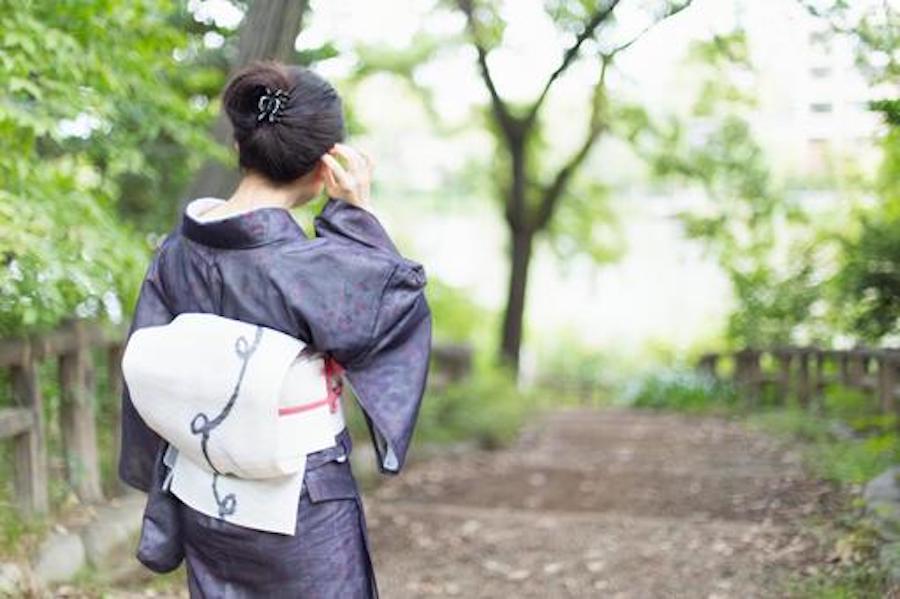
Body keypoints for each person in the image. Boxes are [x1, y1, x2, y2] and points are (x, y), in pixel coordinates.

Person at [118, 59, 432, 598]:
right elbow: (393, 309)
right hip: (301, 501)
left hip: (201, 492)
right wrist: (356, 216)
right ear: (326, 163)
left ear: (239, 146)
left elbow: (145, 373)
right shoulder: (309, 267)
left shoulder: (174, 254)